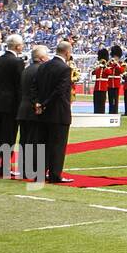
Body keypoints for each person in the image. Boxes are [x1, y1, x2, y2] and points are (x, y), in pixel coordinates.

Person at [33, 41, 75, 184]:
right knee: (57, 145)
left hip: (43, 112)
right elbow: (59, 91)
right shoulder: (65, 69)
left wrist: (38, 103)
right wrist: (44, 103)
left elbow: (35, 86)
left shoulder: (43, 66)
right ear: (67, 52)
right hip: (58, 112)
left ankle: (40, 172)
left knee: (43, 143)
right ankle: (55, 174)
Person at [0, 34, 25, 180]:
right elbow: (19, 87)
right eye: (21, 45)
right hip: (10, 105)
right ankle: (5, 167)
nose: (22, 47)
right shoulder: (17, 62)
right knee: (8, 137)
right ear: (17, 46)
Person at [16, 45, 49, 182]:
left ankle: (24, 169)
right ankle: (34, 169)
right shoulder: (41, 70)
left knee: (25, 141)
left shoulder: (26, 69)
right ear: (41, 57)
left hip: (23, 109)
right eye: (46, 55)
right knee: (36, 141)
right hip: (34, 110)